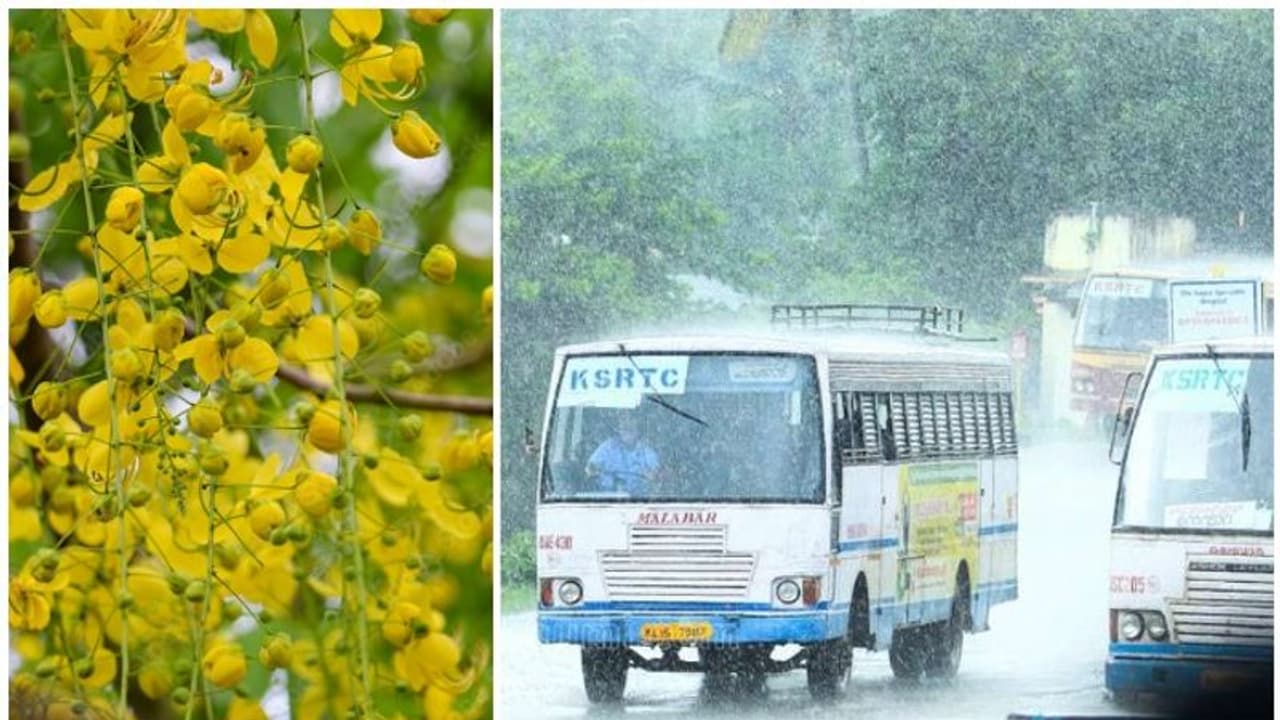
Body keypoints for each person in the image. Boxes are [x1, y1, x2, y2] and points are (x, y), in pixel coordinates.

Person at [586, 414, 659, 495]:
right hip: (606, 499)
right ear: (619, 430)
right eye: (624, 429)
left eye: (630, 429)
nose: (627, 432)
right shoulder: (607, 447)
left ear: (638, 431)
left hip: (637, 501)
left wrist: (651, 476)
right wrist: (593, 470)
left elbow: (655, 475)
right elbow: (590, 467)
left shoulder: (646, 452)